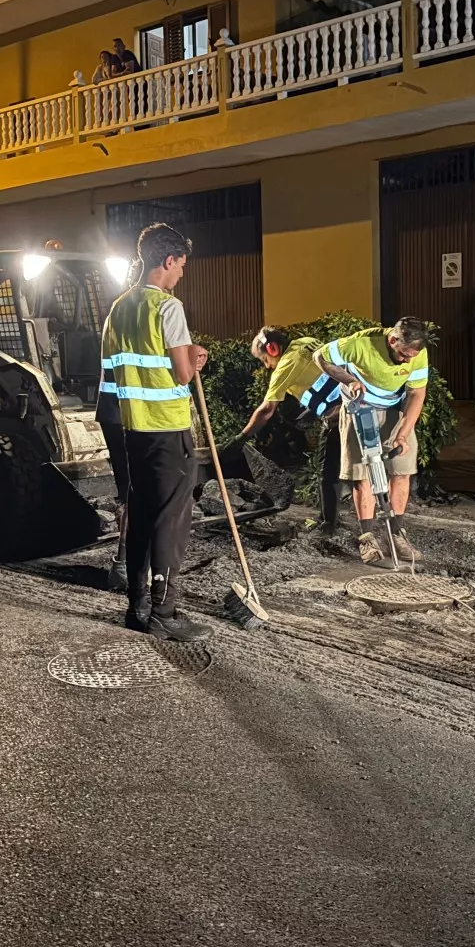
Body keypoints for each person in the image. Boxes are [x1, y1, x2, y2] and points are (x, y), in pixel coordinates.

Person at [102, 224, 210, 641]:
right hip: (168, 429)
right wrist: (196, 356)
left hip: (133, 429)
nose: (182, 273)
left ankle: (137, 605)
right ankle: (165, 611)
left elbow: (116, 372)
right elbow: (182, 373)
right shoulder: (167, 307)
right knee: (171, 521)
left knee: (143, 514)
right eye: (181, 265)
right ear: (167, 261)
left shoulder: (119, 308)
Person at [314, 317, 430, 565]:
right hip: (359, 408)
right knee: (363, 474)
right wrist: (349, 380)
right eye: (403, 354)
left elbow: (417, 392)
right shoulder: (360, 344)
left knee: (402, 470)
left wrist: (403, 431)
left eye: (412, 355)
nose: (408, 360)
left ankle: (396, 536)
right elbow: (319, 357)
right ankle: (368, 540)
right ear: (392, 340)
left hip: (394, 409)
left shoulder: (417, 352)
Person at [233, 325, 344, 532]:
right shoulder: (307, 341)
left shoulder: (285, 366)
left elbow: (267, 410)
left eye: (265, 359)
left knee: (328, 470)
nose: (267, 366)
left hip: (338, 416)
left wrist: (241, 437)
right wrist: (311, 411)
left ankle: (328, 524)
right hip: (355, 402)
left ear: (273, 349)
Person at [97, 257, 142, 592]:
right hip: (128, 415)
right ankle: (124, 565)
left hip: (120, 413)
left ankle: (128, 563)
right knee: (134, 491)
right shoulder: (135, 311)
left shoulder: (119, 310)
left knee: (134, 489)